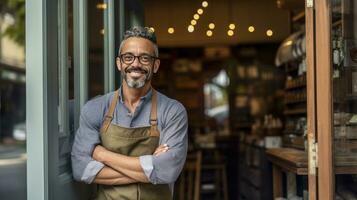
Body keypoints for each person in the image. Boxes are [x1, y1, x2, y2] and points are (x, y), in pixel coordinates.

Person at [71, 26, 188, 200]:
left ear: (155, 65)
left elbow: (168, 171)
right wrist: (150, 170)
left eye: (145, 58)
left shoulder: (173, 111)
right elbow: (81, 169)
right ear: (119, 63)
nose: (135, 64)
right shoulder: (95, 108)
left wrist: (102, 155)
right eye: (128, 57)